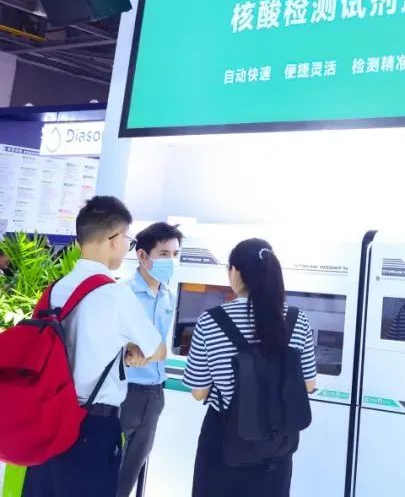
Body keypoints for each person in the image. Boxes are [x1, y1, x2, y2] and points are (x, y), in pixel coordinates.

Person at [25, 197, 166, 497]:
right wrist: (133, 351)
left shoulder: (55, 290)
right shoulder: (115, 295)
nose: (126, 247)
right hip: (92, 428)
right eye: (127, 239)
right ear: (114, 240)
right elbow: (157, 350)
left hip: (46, 423)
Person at [183, 239, 317, 497]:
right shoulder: (297, 319)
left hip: (225, 443)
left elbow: (199, 392)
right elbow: (309, 384)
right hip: (277, 444)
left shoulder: (210, 321)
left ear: (234, 271)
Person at [117, 223, 184, 497]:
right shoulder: (121, 293)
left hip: (155, 394)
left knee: (131, 471)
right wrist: (128, 351)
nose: (171, 261)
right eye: (164, 254)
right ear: (143, 256)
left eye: (176, 254)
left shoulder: (168, 296)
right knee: (111, 468)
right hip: (124, 392)